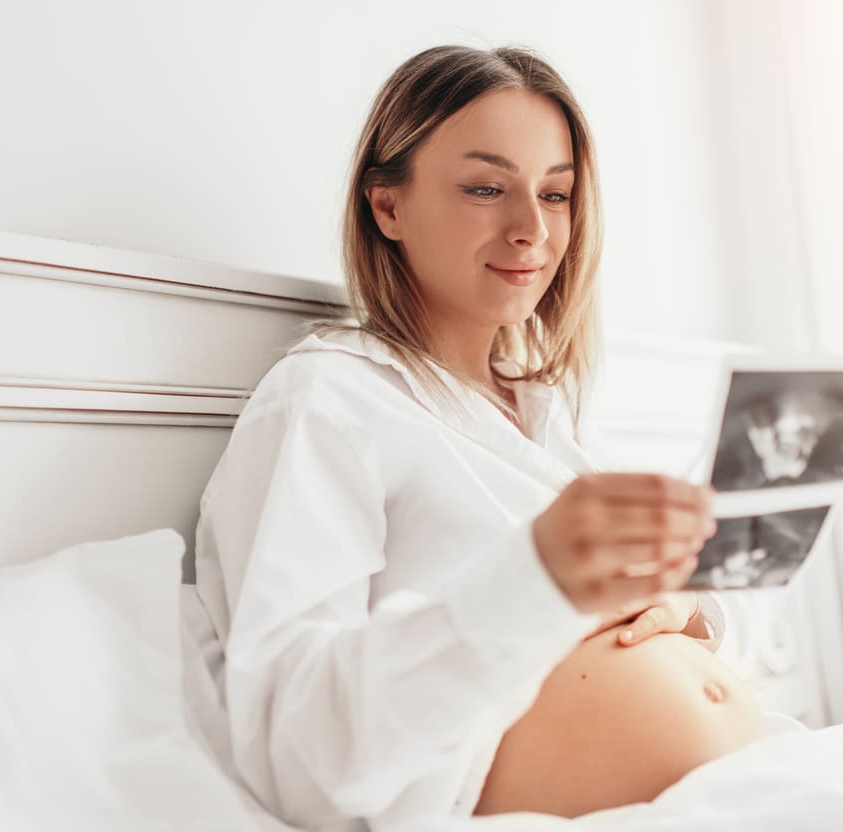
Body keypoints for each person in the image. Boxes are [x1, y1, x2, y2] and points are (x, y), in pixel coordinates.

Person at [193, 44, 766, 832]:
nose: (532, 229)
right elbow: (297, 751)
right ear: (387, 206)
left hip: (759, 778)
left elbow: (661, 620)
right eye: (486, 188)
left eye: (557, 194)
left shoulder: (547, 416)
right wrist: (534, 579)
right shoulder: (327, 400)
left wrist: (684, 608)